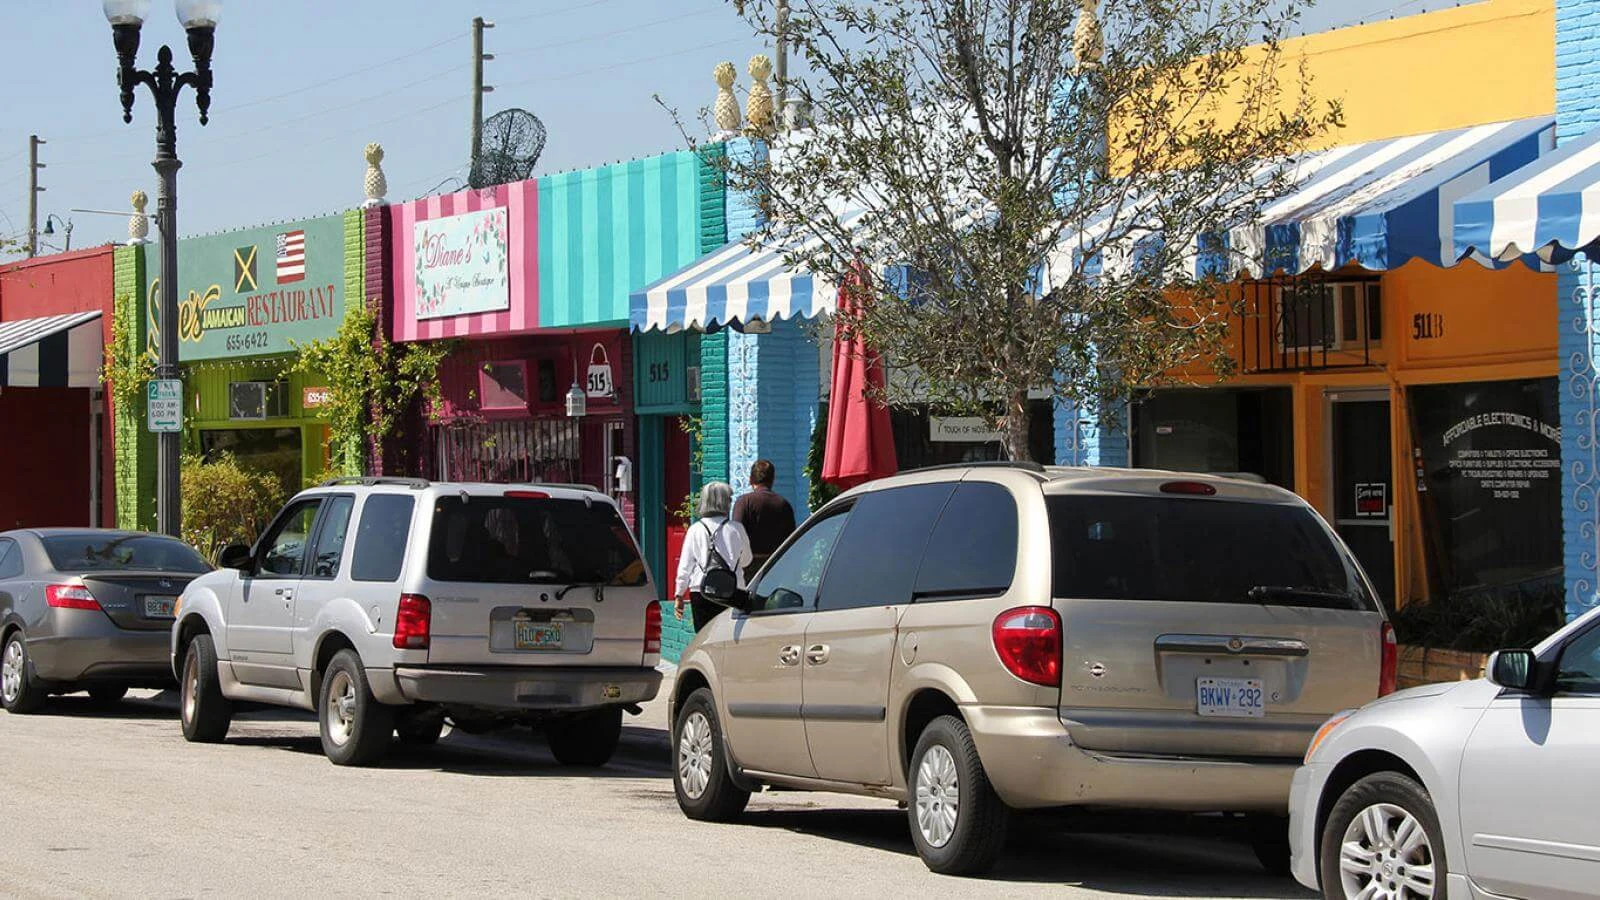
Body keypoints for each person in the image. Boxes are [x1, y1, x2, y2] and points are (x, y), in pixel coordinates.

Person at [674, 481, 753, 632]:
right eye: (729, 499)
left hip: (701, 590)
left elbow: (685, 566)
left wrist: (679, 594)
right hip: (733, 590)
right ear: (724, 502)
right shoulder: (736, 529)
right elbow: (747, 560)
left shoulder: (695, 530)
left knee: (704, 638)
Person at [732, 459, 797, 581]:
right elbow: (791, 538)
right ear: (772, 480)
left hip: (748, 567)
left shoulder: (744, 502)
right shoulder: (783, 504)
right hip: (775, 565)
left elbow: (736, 535)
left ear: (751, 479)